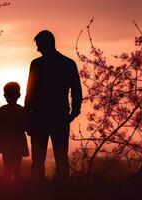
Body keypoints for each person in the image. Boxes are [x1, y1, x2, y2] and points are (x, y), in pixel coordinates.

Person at [25, 30, 83, 180]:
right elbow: (76, 90)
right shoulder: (68, 64)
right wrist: (73, 112)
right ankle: (62, 189)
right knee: (60, 157)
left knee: (38, 160)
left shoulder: (36, 65)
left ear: (46, 44)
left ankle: (38, 190)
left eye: (39, 45)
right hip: (59, 116)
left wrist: (27, 117)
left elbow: (29, 94)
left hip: (40, 117)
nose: (38, 49)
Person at [0, 82, 29, 182]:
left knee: (7, 167)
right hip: (18, 142)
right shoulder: (21, 110)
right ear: (19, 95)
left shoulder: (2, 110)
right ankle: (17, 191)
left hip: (6, 143)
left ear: (5, 95)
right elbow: (26, 126)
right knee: (17, 168)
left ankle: (7, 190)